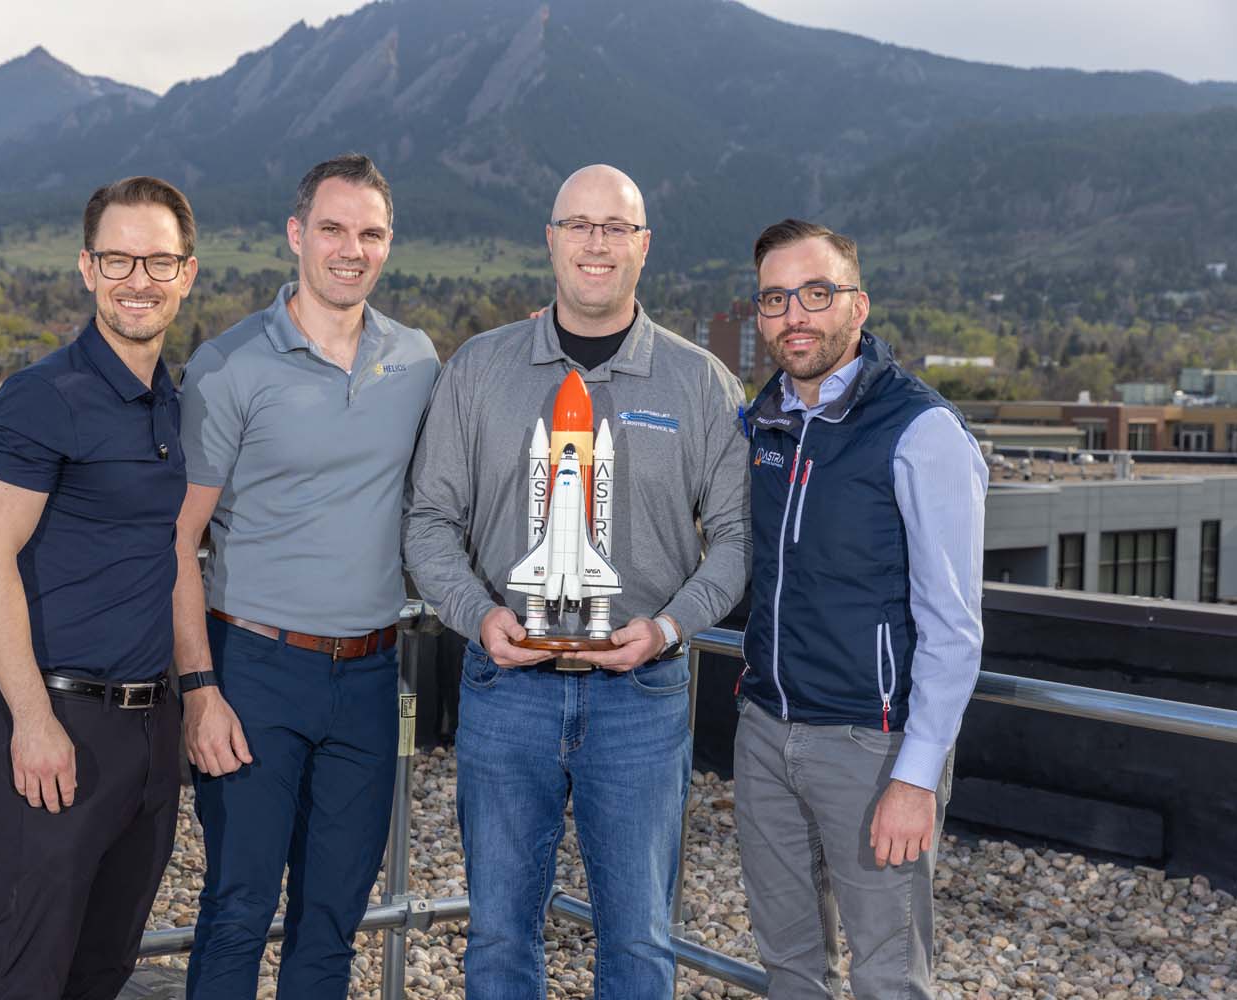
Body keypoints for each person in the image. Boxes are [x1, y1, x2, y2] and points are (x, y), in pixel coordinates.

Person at [404, 164, 750, 999]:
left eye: (616, 227)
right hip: (506, 690)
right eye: (579, 225)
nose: (597, 243)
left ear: (644, 247)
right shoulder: (479, 369)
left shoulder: (699, 381)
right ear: (551, 240)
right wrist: (476, 614)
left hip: (643, 701)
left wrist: (668, 629)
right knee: (496, 937)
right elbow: (427, 523)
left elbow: (739, 539)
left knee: (636, 943)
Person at [174, 153, 439, 1000]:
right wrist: (198, 690)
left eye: (369, 232)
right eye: (332, 228)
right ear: (297, 235)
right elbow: (177, 543)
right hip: (254, 672)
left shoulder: (418, 361)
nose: (349, 248)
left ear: (388, 244)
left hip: (368, 676)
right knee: (238, 909)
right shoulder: (228, 367)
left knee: (332, 923)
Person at [734, 218, 988, 999]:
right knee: (789, 966)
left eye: (816, 293)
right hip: (765, 732)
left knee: (886, 978)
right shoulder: (766, 416)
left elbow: (954, 626)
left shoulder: (921, 430)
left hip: (871, 748)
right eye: (775, 299)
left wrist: (916, 776)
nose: (795, 316)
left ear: (859, 304)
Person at [0, 176, 199, 998]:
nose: (141, 278)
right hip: (59, 726)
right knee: (30, 973)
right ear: (87, 269)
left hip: (149, 735)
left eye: (159, 260)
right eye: (120, 258)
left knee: (104, 971)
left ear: (187, 274)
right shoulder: (40, 398)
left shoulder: (172, 401)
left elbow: (172, 553)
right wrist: (32, 720)